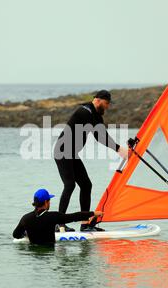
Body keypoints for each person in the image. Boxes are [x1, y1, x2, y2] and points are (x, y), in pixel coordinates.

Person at [54, 90, 128, 232]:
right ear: (97, 100)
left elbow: (101, 136)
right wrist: (119, 149)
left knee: (86, 185)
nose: (107, 107)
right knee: (69, 185)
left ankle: (85, 223)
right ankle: (59, 224)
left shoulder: (96, 116)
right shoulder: (84, 112)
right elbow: (97, 133)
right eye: (106, 103)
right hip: (62, 152)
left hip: (72, 154)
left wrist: (119, 149)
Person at [13, 189, 103, 245]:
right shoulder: (52, 216)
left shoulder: (25, 218)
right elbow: (74, 217)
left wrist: (26, 234)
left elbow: (16, 235)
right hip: (49, 254)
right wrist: (93, 213)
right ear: (46, 202)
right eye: (49, 201)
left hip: (33, 256)